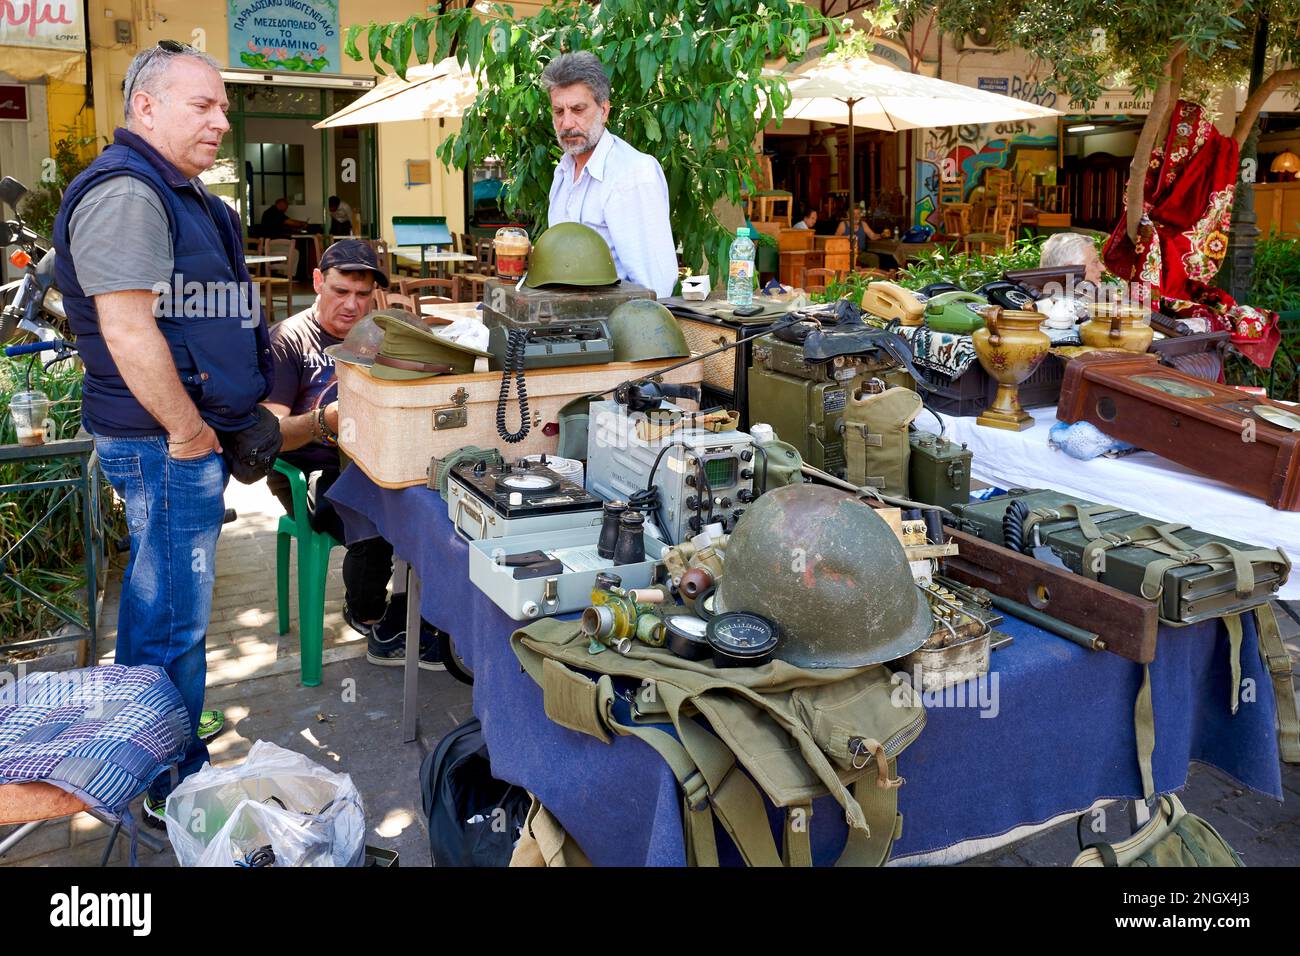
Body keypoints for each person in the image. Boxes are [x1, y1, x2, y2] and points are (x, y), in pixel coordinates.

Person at [52, 41, 272, 824]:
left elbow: (214, 317)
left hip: (179, 443)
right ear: (145, 107)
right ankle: (162, 781)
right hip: (162, 447)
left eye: (223, 107)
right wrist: (187, 433)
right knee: (171, 622)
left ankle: (152, 761)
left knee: (161, 613)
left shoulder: (185, 195)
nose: (222, 122)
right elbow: (127, 329)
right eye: (202, 105)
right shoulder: (127, 192)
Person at [261, 239, 443, 668]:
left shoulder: (381, 334)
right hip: (308, 471)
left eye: (363, 295)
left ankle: (422, 611)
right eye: (341, 291)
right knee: (371, 512)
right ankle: (371, 616)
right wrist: (326, 421)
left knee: (439, 505)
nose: (353, 305)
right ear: (318, 281)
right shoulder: (289, 341)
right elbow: (269, 437)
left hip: (379, 459)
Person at [542, 52, 678, 298]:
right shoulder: (562, 172)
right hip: (566, 325)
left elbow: (655, 288)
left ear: (604, 111)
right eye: (559, 111)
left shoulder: (633, 174)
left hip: (620, 330)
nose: (567, 123)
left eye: (577, 109)